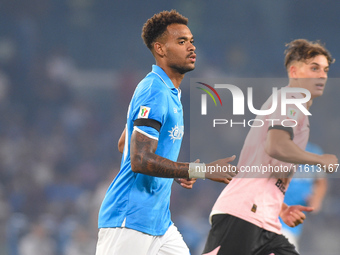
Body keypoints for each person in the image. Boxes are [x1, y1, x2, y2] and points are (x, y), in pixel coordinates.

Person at [95, 10, 237, 255]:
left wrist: (172, 171)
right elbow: (139, 160)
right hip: (129, 221)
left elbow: (124, 144)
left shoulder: (170, 92)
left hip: (158, 223)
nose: (191, 47)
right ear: (160, 49)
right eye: (181, 42)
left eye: (191, 41)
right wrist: (199, 170)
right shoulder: (154, 90)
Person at [202, 39, 338, 255]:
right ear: (294, 71)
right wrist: (319, 160)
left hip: (266, 219)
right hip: (244, 214)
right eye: (314, 68)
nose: (322, 75)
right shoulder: (290, 101)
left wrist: (280, 207)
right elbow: (276, 146)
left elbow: (267, 166)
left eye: (325, 70)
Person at [280, 142, 328, 251]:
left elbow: (321, 183)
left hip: (297, 220)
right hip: (275, 218)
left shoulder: (315, 153)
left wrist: (316, 199)